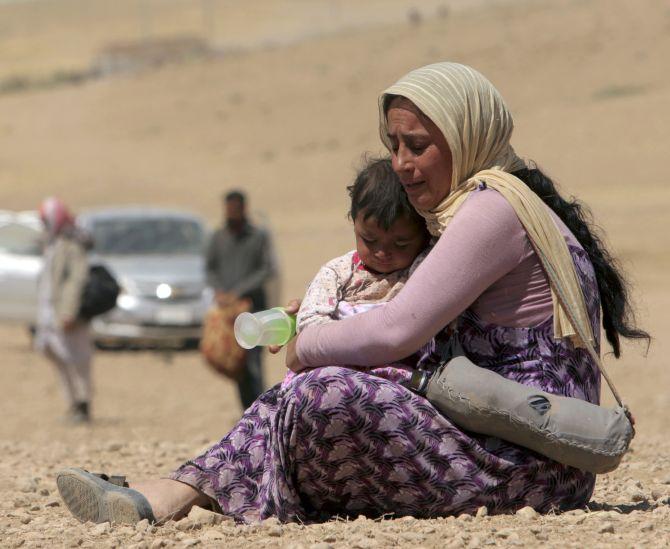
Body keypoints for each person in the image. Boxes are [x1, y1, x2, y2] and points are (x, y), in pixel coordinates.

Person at [56, 62, 649, 525]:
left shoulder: (493, 210)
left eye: (418, 145)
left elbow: (397, 332)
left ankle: (175, 493)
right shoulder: (497, 203)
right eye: (394, 145)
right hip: (503, 439)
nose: (402, 165)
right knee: (319, 394)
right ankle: (174, 493)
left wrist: (308, 343)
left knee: (322, 392)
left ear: (467, 133)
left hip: (529, 462)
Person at [283, 156, 430, 387]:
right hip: (333, 369)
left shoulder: (423, 268)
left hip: (398, 378)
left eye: (401, 244)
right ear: (354, 223)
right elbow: (311, 323)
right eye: (370, 240)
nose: (383, 253)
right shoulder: (337, 273)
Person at [205, 190, 275, 410]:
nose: (231, 212)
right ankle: (246, 412)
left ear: (244, 208)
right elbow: (210, 269)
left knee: (254, 363)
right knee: (236, 363)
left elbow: (266, 269)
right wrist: (220, 291)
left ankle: (261, 410)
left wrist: (239, 292)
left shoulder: (258, 237)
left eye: (235, 208)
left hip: (253, 309)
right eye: (228, 208)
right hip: (228, 312)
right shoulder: (218, 237)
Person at [35, 197, 93, 423]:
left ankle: (83, 404)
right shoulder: (52, 243)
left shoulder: (72, 244)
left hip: (67, 315)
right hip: (49, 315)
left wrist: (69, 311)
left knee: (78, 360)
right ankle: (72, 403)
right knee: (55, 355)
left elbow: (76, 280)